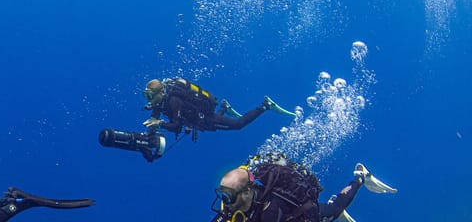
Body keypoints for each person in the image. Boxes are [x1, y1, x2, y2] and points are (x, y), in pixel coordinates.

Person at [210, 153, 397, 222]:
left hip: (307, 215)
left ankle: (361, 177)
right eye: (222, 195)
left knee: (334, 210)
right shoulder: (231, 205)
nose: (224, 202)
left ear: (247, 192)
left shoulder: (270, 212)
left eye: (228, 197)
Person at [141, 78, 293, 140]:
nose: (149, 100)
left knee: (238, 124)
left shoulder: (174, 100)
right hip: (199, 119)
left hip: (204, 117)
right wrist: (150, 131)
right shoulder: (160, 102)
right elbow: (155, 119)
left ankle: (265, 106)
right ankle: (224, 107)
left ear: (160, 93)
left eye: (150, 96)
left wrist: (159, 124)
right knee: (214, 122)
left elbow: (176, 127)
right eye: (146, 96)